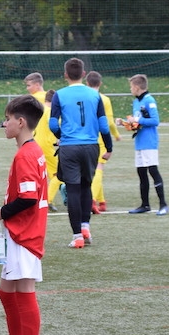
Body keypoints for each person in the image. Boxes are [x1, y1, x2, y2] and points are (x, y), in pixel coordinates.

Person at [0, 95, 48, 335]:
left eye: (8, 119)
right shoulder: (31, 150)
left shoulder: (26, 154)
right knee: (6, 291)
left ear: (21, 122)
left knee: (24, 291)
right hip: (19, 232)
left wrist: (2, 211)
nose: (5, 124)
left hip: (25, 233)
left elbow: (28, 198)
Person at [49, 58, 113, 249]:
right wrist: (109, 147)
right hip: (91, 146)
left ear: (65, 75)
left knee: (73, 190)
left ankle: (77, 236)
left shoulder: (59, 95)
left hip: (70, 147)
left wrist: (62, 136)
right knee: (86, 186)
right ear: (84, 74)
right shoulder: (95, 95)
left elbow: (53, 124)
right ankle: (86, 227)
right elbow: (104, 126)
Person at [123, 73, 169, 216]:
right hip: (140, 142)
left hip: (149, 142)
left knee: (153, 171)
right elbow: (138, 123)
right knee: (141, 173)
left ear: (137, 87)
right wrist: (128, 124)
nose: (130, 89)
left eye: (131, 86)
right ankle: (145, 205)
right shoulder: (136, 102)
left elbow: (155, 121)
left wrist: (137, 120)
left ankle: (163, 204)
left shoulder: (149, 100)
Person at [24, 73, 62, 212]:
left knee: (40, 174)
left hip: (34, 142)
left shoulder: (35, 105)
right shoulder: (49, 110)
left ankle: (32, 198)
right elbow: (54, 125)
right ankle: (48, 199)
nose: (27, 88)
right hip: (48, 144)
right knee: (60, 173)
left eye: (28, 85)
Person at [85, 71, 120, 214]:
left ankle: (100, 201)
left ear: (87, 83)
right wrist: (116, 134)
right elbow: (109, 122)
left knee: (94, 170)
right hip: (101, 137)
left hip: (87, 136)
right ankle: (93, 200)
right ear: (100, 83)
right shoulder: (104, 99)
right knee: (98, 169)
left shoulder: (84, 98)